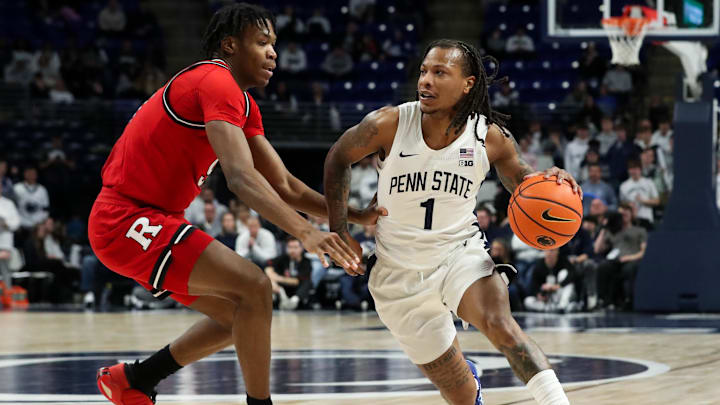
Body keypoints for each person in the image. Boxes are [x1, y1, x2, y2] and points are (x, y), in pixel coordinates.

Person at [89, 5, 378, 405]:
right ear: (230, 45)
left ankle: (138, 379)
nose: (273, 53)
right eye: (262, 43)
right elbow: (241, 179)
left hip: (147, 218)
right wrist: (306, 232)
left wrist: (355, 216)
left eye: (274, 44)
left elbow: (286, 185)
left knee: (242, 315)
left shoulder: (242, 102)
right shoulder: (214, 80)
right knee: (256, 288)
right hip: (125, 217)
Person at [324, 39, 578, 405]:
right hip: (398, 274)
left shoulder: (490, 137)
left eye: (440, 73)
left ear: (468, 84)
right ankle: (469, 383)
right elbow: (337, 158)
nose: (426, 80)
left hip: (460, 254)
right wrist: (340, 231)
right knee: (460, 395)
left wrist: (549, 182)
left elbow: (524, 183)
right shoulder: (389, 124)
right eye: (424, 71)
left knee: (500, 324)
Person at [593, 204, 647, 309]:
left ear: (631, 214)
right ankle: (603, 300)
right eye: (621, 213)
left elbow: (644, 251)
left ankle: (628, 300)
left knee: (629, 269)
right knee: (603, 267)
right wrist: (604, 228)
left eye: (627, 211)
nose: (624, 214)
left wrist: (630, 258)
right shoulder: (613, 231)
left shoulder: (639, 230)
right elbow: (597, 249)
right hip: (615, 260)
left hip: (632, 258)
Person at [264, 236, 313, 310]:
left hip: (297, 290)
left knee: (307, 282)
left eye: (295, 247)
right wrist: (271, 277)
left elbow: (296, 281)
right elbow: (268, 264)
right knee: (267, 279)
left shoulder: (306, 262)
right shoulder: (283, 258)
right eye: (290, 247)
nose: (292, 250)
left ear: (301, 248)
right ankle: (278, 298)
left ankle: (294, 300)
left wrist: (278, 278)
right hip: (283, 288)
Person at [523, 249, 578, 313]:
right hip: (547, 297)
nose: (550, 253)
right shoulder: (539, 264)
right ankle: (549, 308)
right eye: (548, 250)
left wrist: (558, 286)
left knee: (564, 273)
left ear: (557, 251)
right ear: (544, 252)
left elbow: (572, 275)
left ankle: (562, 306)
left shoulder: (563, 261)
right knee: (528, 301)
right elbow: (534, 284)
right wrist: (539, 293)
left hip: (559, 293)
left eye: (553, 250)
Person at [619, 159, 659, 225]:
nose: (633, 171)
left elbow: (657, 201)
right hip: (631, 221)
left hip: (647, 218)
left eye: (635, 169)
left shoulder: (649, 182)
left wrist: (643, 201)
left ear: (640, 169)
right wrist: (629, 205)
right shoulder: (623, 185)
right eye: (631, 169)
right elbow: (621, 204)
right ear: (628, 170)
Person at [0, 181, 20, 288]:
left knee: (5, 271)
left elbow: (16, 223)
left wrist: (5, 224)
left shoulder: (8, 204)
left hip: (4, 244)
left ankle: (7, 294)